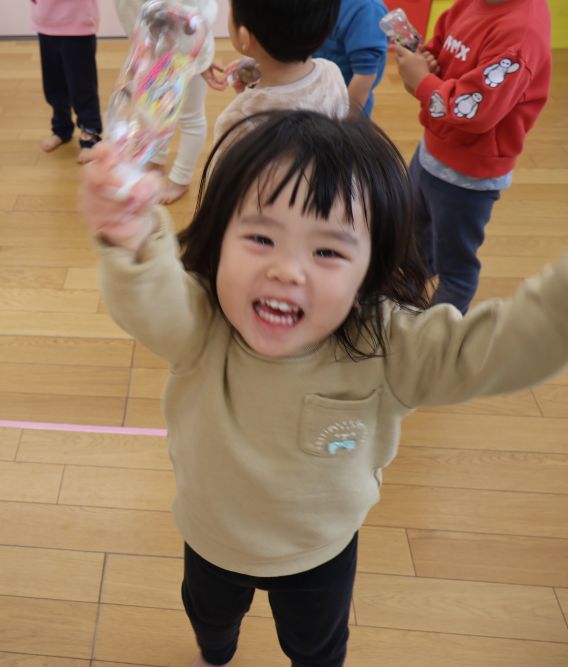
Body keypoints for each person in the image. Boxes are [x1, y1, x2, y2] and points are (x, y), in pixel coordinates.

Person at [78, 109, 568, 667]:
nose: (288, 270)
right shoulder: (203, 323)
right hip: (210, 537)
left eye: (328, 251)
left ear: (371, 268)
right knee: (210, 620)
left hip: (320, 553)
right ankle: (215, 655)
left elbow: (500, 348)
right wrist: (133, 236)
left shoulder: (391, 344)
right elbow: (151, 296)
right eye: (261, 237)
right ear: (218, 239)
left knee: (317, 648)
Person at [392, 0, 551, 313]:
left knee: (456, 269)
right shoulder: (473, 3)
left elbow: (474, 112)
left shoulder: (520, 34)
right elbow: (445, 40)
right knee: (414, 232)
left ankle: (438, 339)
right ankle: (408, 290)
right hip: (432, 151)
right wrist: (429, 58)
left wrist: (423, 82)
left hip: (467, 179)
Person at [114, 0, 218, 204]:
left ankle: (181, 177)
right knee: (156, 111)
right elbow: (130, 12)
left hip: (188, 54)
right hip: (153, 51)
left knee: (191, 117)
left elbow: (202, 13)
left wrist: (199, 53)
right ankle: (157, 158)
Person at [212, 0, 348, 153]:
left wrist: (247, 98)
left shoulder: (237, 119)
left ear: (244, 37)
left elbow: (224, 175)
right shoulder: (331, 73)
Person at [31, 0, 102, 163]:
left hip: (77, 23)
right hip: (46, 22)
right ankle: (61, 128)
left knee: (82, 87)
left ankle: (90, 135)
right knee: (54, 85)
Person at [314, 0, 388, 116]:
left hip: (345, 103)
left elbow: (365, 76)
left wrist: (347, 124)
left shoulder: (368, 9)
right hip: (316, 94)